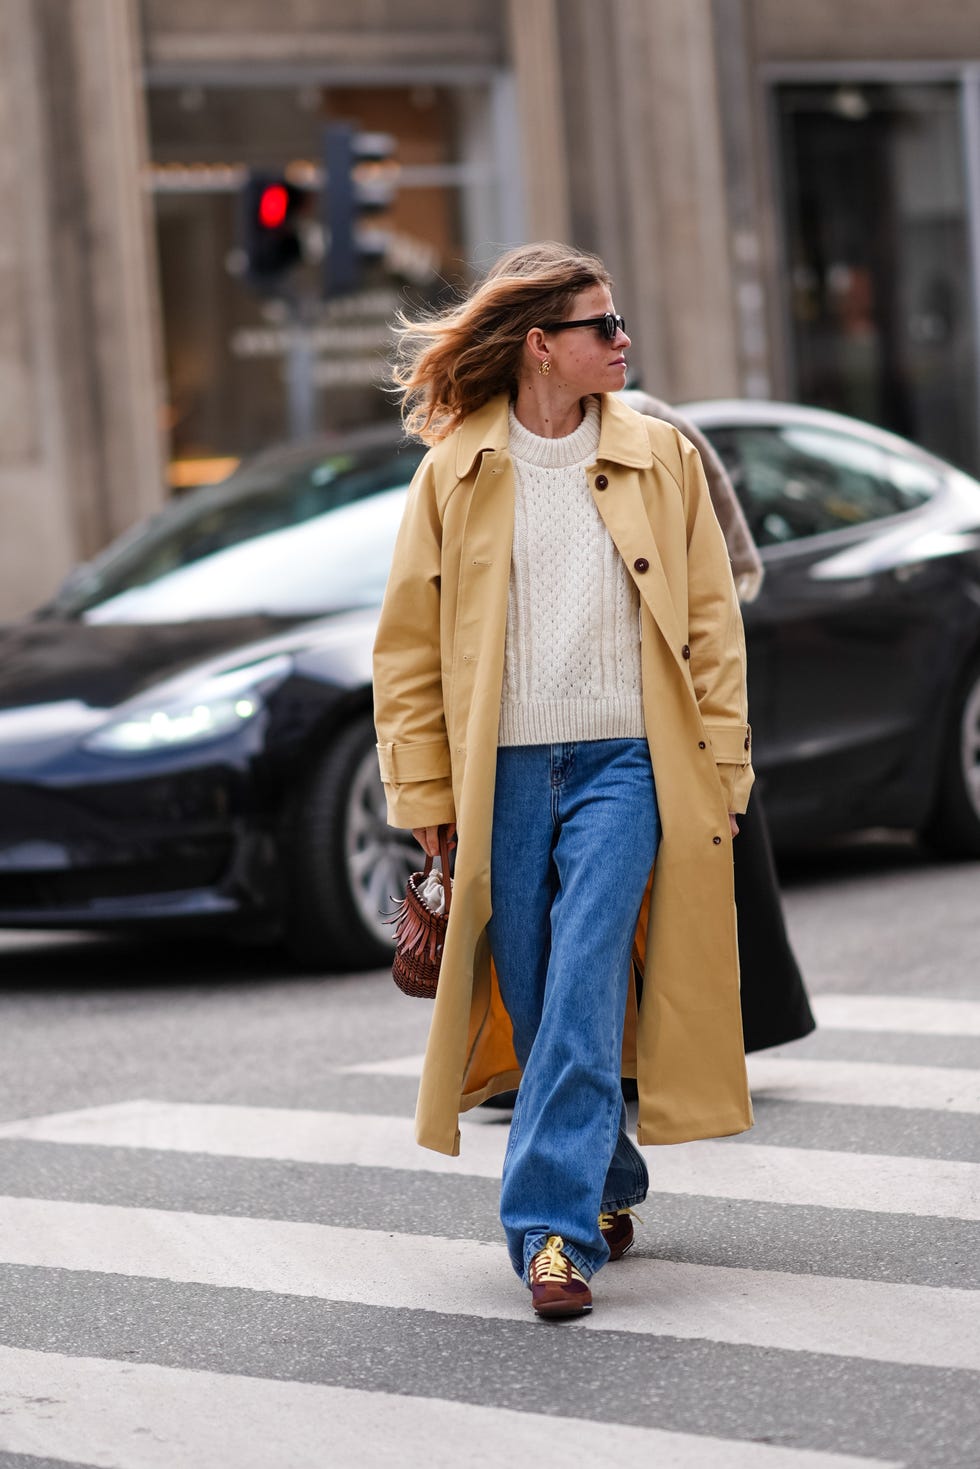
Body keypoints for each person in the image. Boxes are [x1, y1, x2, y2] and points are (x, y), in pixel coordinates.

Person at [373, 241, 754, 1320]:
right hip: (500, 769)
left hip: (624, 763)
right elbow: (404, 650)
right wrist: (427, 798)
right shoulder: (454, 470)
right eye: (602, 327)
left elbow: (709, 623)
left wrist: (722, 763)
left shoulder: (660, 458)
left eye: (619, 324)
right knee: (539, 997)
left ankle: (548, 1230)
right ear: (541, 344)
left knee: (587, 974)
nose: (623, 341)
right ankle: (608, 1174)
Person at [620, 390, 816, 1053]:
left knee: (709, 863)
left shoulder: (653, 423)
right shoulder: (498, 442)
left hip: (676, 677)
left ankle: (733, 1028)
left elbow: (731, 554)